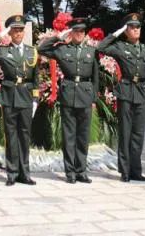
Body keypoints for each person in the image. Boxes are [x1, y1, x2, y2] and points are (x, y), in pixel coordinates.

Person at [37, 17, 99, 184]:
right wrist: (59, 36)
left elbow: (96, 76)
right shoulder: (62, 50)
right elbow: (42, 48)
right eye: (76, 31)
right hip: (69, 95)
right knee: (69, 135)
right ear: (71, 32)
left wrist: (94, 98)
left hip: (85, 94)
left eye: (82, 31)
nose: (80, 34)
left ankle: (81, 170)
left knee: (83, 136)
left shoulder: (91, 51)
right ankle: (70, 172)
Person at [0, 14, 39, 185]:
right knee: (11, 136)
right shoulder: (2, 50)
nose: (18, 33)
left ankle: (25, 173)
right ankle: (12, 173)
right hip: (9, 97)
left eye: (20, 30)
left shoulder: (32, 51)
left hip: (26, 96)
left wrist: (36, 99)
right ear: (10, 32)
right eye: (14, 30)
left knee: (25, 135)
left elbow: (36, 77)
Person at [97, 13, 145, 182]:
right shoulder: (120, 47)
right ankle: (125, 171)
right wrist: (117, 32)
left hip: (141, 92)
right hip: (126, 92)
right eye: (131, 27)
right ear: (126, 31)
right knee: (126, 133)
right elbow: (101, 47)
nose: (135, 30)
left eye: (137, 27)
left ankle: (136, 170)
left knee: (138, 134)